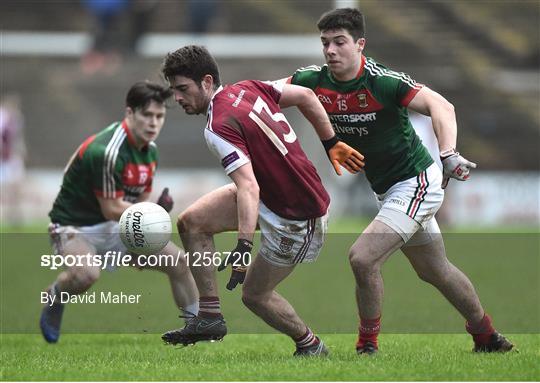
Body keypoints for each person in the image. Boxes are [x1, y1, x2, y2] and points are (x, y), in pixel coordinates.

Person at [282, 8, 513, 354]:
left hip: (418, 182)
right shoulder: (313, 81)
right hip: (388, 191)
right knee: (435, 271)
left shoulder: (381, 81)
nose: (330, 50)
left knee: (362, 257)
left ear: (360, 44)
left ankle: (367, 347)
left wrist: (448, 153)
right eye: (325, 43)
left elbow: (442, 106)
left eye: (339, 42)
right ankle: (487, 336)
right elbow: (262, 94)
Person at [159, 45, 364, 356]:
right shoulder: (250, 87)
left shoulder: (217, 127)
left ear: (206, 81)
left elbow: (248, 187)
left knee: (254, 294)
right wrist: (331, 142)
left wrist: (243, 246)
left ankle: (311, 346)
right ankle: (209, 316)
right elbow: (306, 96)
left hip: (297, 215)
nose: (177, 98)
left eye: (182, 89)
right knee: (192, 223)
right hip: (274, 194)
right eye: (173, 90)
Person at [40, 81, 199, 343]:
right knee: (86, 275)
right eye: (146, 115)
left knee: (178, 262)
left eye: (159, 117)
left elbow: (138, 203)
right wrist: (153, 214)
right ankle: (56, 295)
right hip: (75, 226)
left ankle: (196, 327)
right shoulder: (108, 151)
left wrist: (150, 218)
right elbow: (113, 208)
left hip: (116, 225)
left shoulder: (151, 152)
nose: (153, 123)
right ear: (129, 113)